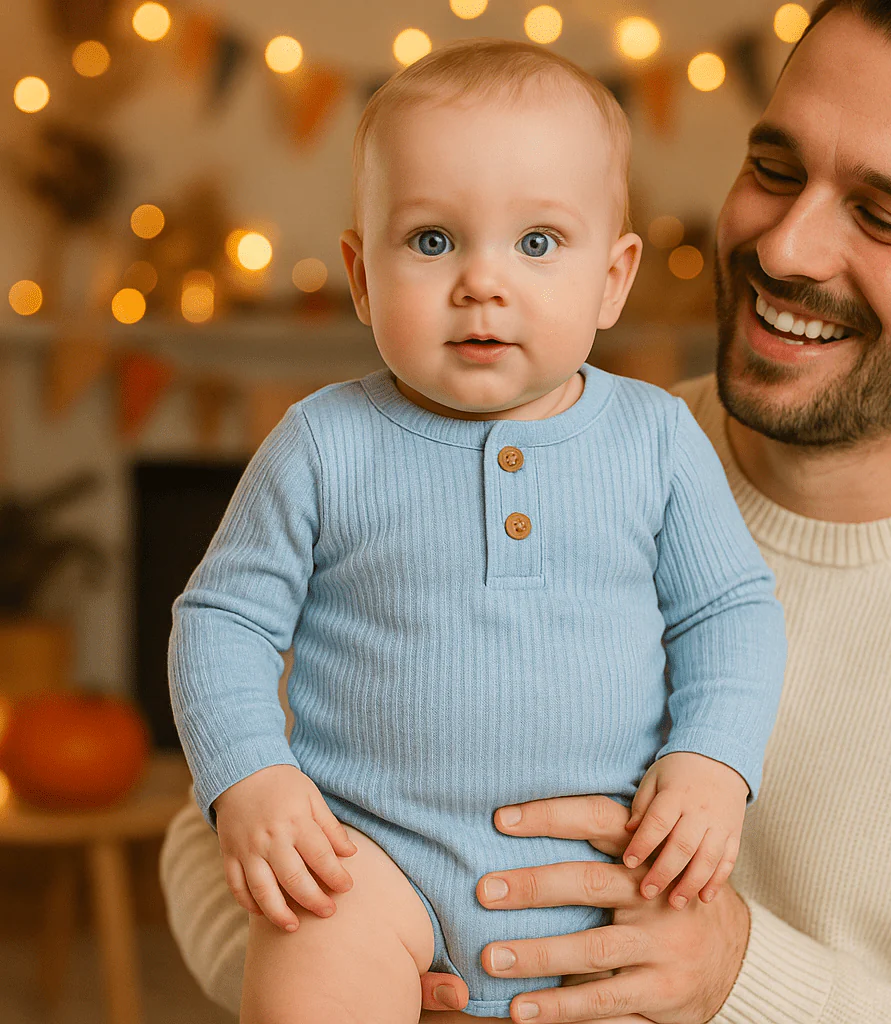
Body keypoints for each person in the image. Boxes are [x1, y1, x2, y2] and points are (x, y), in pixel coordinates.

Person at [161, 0, 891, 1021]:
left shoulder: (650, 460)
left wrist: (738, 977)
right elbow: (217, 813)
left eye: (883, 215)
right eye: (775, 169)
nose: (787, 247)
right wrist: (361, 969)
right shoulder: (414, 442)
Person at [165, 39, 787, 1024]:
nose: (481, 283)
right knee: (311, 972)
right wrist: (250, 776)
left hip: (597, 885)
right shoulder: (325, 442)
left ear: (613, 278)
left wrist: (713, 757)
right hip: (364, 858)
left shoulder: (656, 438)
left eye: (537, 242)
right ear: (362, 277)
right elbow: (219, 622)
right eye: (431, 241)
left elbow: (731, 610)